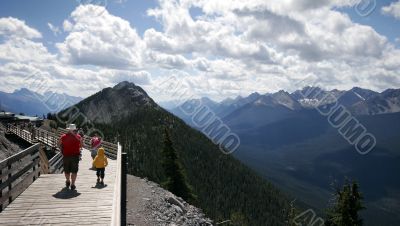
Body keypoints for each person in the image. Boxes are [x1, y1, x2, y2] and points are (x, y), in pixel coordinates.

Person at [59, 124, 82, 191]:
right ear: (74, 130)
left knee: (67, 170)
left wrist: (62, 149)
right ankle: (73, 184)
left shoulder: (63, 136)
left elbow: (58, 144)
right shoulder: (78, 137)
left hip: (66, 156)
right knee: (74, 171)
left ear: (69, 130)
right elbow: (81, 146)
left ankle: (68, 180)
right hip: (75, 156)